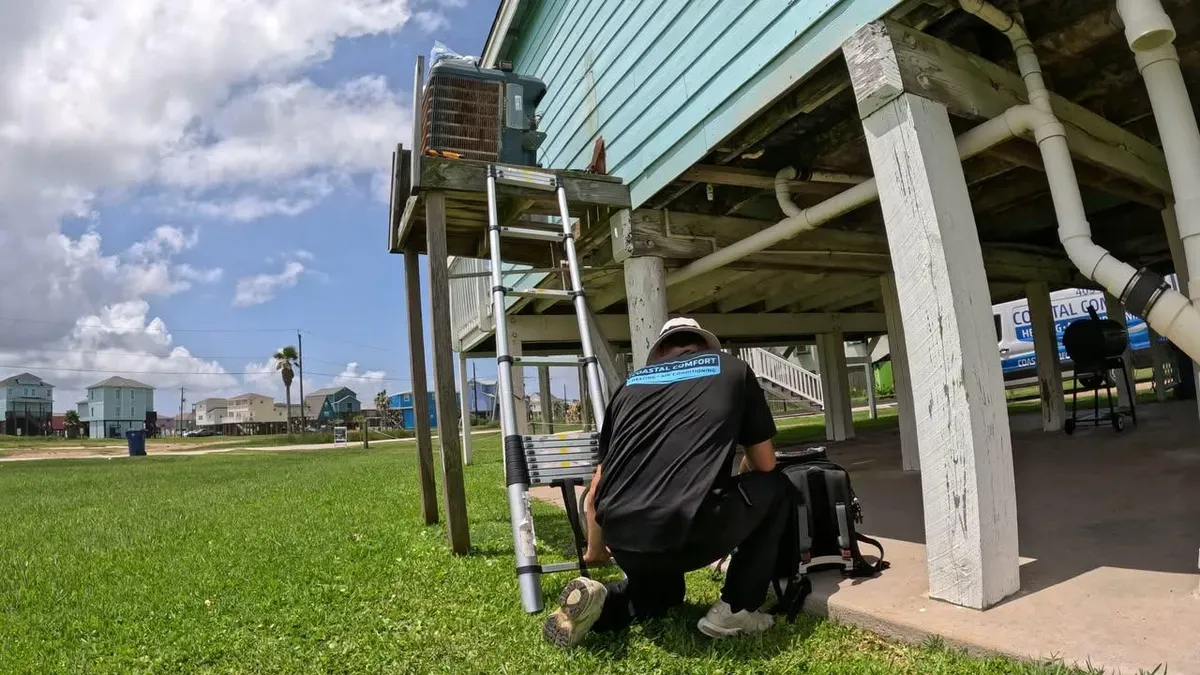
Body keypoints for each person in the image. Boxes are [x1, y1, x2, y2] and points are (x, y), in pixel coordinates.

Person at [542, 317, 795, 649]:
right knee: (777, 487)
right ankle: (737, 607)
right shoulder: (731, 369)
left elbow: (597, 488)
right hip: (688, 532)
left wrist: (595, 550)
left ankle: (603, 604)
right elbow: (764, 464)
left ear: (660, 351)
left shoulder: (629, 385)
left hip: (624, 539)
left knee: (663, 596)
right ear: (704, 346)